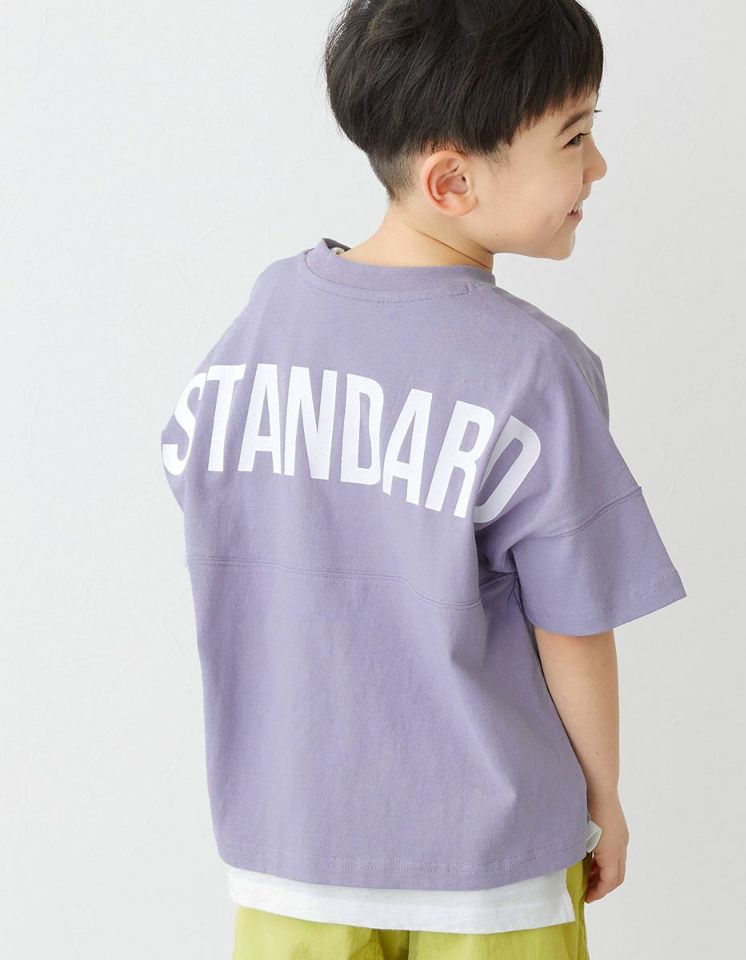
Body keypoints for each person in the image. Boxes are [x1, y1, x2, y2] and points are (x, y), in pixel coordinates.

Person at [159, 1, 687, 957]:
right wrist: (604, 799)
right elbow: (573, 624)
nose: (598, 167)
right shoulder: (534, 369)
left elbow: (210, 500)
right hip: (493, 870)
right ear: (453, 179)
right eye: (575, 138)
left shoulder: (265, 322)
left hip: (290, 847)